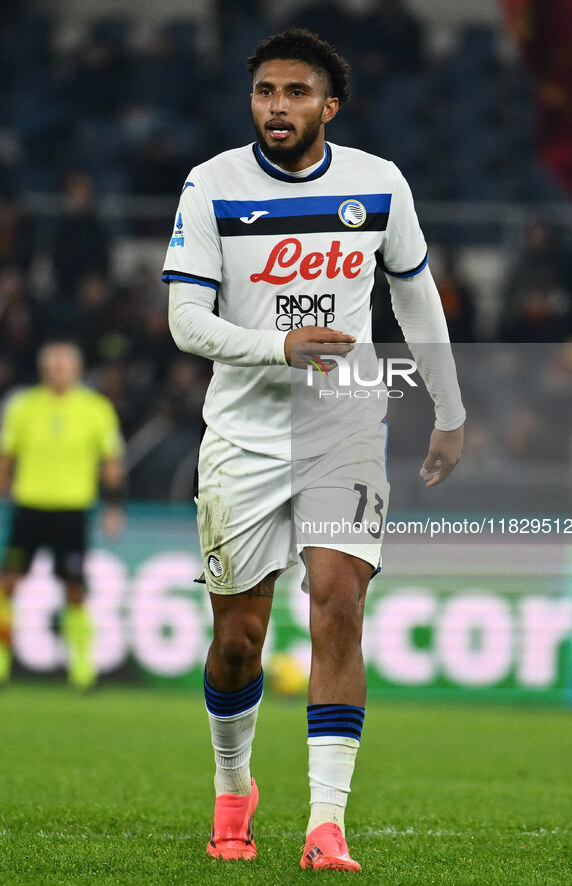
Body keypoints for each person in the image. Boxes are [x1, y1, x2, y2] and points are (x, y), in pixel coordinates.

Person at [163, 28, 465, 872]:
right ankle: (234, 788)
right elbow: (186, 322)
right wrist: (281, 349)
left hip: (345, 426)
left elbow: (415, 297)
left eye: (296, 93)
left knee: (338, 599)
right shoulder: (212, 185)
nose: (277, 107)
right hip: (243, 436)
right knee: (237, 642)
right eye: (265, 92)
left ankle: (325, 824)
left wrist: (448, 404)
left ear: (328, 106)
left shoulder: (378, 183)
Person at [0, 341, 125, 690]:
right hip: (29, 507)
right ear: (44, 370)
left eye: (64, 366)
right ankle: (1, 664)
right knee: (8, 582)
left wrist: (115, 506)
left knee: (74, 589)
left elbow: (111, 463)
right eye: (53, 366)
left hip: (72, 510)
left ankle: (82, 670)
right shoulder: (22, 407)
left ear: (77, 370)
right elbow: (6, 460)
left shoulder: (96, 409)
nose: (58, 372)